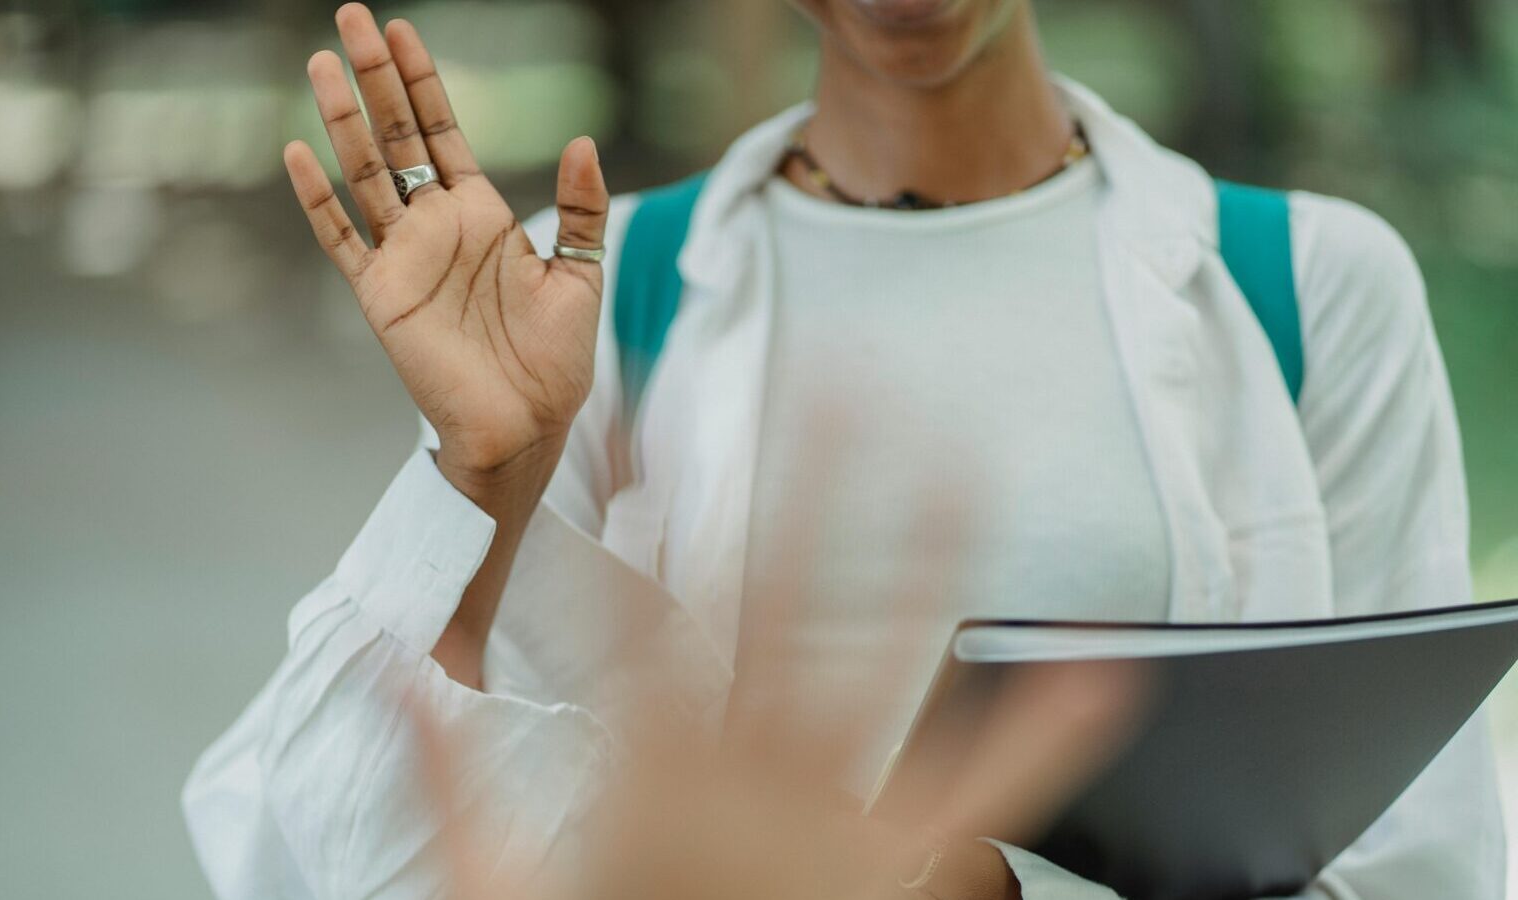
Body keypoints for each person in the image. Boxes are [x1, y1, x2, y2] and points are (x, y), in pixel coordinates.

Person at [182, 1, 1506, 897]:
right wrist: (480, 474)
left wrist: (997, 887)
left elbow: (1428, 865)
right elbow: (339, 846)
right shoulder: (586, 300)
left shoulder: (1305, 289)